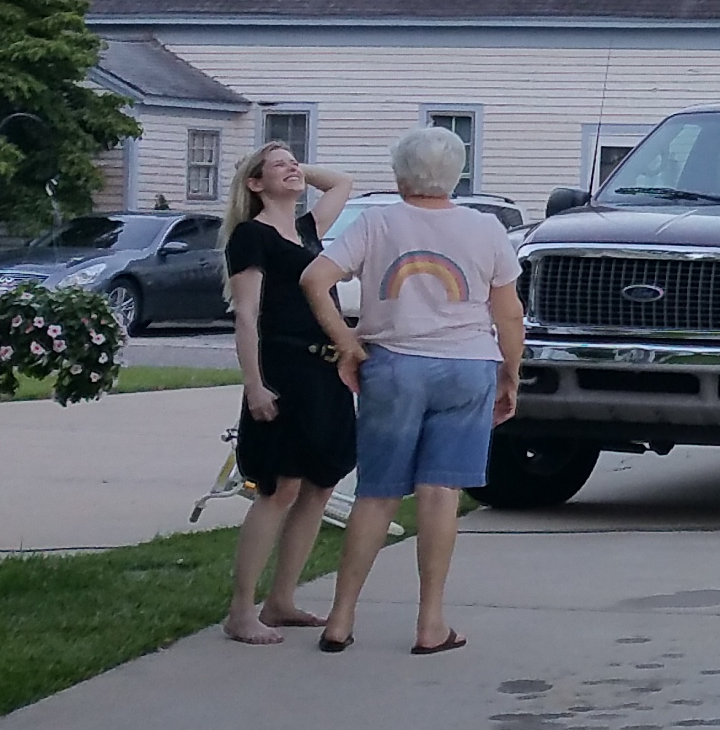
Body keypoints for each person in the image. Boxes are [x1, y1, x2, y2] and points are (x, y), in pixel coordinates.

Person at [301, 126, 525, 656]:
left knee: (377, 494)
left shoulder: (377, 222)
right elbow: (508, 313)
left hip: (394, 365)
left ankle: (340, 619)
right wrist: (510, 372)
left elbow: (314, 279)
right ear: (457, 174)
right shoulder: (486, 228)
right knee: (441, 493)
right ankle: (430, 624)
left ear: (400, 173)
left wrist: (347, 344)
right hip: (468, 365)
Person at [219, 143, 359, 643]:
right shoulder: (250, 236)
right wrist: (254, 384)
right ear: (255, 183)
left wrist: (294, 167)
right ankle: (241, 611)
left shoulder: (307, 230)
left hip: (325, 370)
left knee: (320, 485)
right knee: (279, 488)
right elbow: (246, 315)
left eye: (294, 162)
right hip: (283, 368)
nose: (293, 168)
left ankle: (281, 601)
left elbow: (341, 183)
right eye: (279, 166)